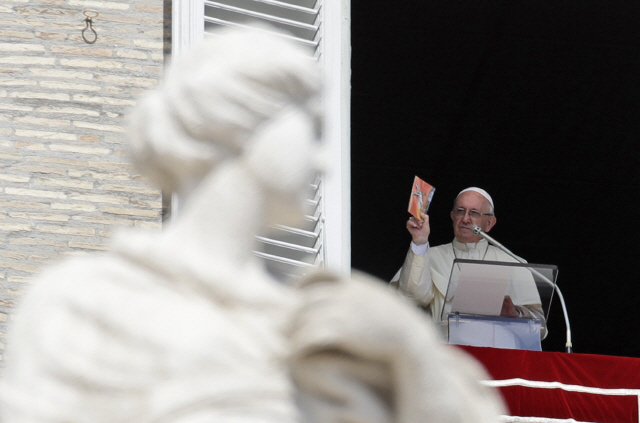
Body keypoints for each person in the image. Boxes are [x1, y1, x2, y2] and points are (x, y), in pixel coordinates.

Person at [0, 28, 506, 423]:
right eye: (309, 129)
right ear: (236, 122)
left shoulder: (310, 327)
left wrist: (411, 353)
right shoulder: (86, 304)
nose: (324, 160)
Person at [391, 187, 546, 337]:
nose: (465, 219)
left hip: (497, 355)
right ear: (452, 216)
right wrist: (420, 242)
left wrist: (515, 314)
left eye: (474, 213)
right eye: (460, 211)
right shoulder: (429, 255)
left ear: (489, 223)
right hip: (447, 352)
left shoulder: (513, 262)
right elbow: (409, 299)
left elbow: (540, 329)